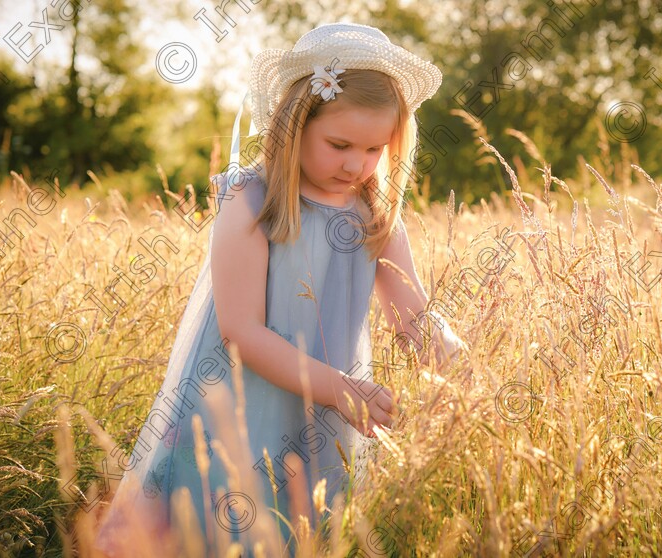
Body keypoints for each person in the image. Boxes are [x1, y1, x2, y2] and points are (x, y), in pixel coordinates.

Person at [94, 22, 467, 557]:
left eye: (373, 150)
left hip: (329, 414)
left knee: (301, 529)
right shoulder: (252, 200)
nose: (355, 164)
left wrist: (448, 349)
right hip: (243, 403)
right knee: (221, 526)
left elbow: (411, 316)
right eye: (339, 144)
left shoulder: (376, 216)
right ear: (296, 124)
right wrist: (341, 389)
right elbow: (240, 331)